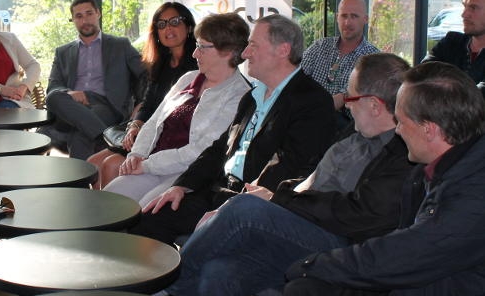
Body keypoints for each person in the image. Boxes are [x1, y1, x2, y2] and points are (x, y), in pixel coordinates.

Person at [167, 53, 413, 296]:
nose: (345, 104)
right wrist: (278, 193)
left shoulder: (402, 152)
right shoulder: (359, 130)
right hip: (305, 225)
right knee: (220, 272)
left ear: (375, 105)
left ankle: (171, 286)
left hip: (339, 247)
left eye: (350, 97)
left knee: (243, 210)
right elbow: (315, 177)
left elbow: (358, 215)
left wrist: (278, 200)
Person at [268, 61, 485, 296]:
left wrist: (314, 264)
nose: (397, 130)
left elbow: (412, 252)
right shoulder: (432, 171)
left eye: (402, 122)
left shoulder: (475, 189)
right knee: (306, 294)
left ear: (429, 130)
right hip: (419, 287)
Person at [129, 14, 336, 245]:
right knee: (148, 217)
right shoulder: (253, 96)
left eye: (253, 45)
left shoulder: (312, 101)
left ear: (283, 50)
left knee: (196, 248)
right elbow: (220, 148)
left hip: (253, 203)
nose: (245, 54)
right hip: (219, 190)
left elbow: (291, 166)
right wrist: (182, 185)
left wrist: (234, 208)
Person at [102, 13, 250, 204]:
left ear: (228, 51)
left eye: (202, 47)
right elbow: (154, 121)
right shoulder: (188, 78)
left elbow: (200, 151)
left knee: (146, 208)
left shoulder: (239, 95)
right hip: (151, 164)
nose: (195, 53)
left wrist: (147, 165)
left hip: (186, 174)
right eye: (196, 46)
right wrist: (136, 155)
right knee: (108, 202)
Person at [88, 2, 198, 189]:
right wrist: (135, 126)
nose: (168, 28)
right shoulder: (161, 64)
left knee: (111, 165)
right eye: (161, 24)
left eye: (174, 21)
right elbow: (148, 103)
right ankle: (98, 214)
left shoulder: (198, 64)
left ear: (188, 26)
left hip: (167, 138)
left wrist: (144, 131)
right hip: (144, 131)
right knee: (91, 164)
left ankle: (113, 217)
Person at [43, 0, 147, 159]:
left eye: (89, 13)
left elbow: (145, 74)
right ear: (73, 20)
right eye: (79, 16)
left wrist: (142, 103)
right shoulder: (62, 52)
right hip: (73, 105)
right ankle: (105, 136)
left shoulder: (120, 45)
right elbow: (54, 86)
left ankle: (75, 185)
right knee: (53, 97)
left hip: (107, 105)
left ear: (98, 13)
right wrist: (69, 93)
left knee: (80, 136)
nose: (85, 20)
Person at [300, 0, 379, 125]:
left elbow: (348, 101)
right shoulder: (320, 46)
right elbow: (296, 79)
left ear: (365, 19)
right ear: (337, 17)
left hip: (346, 129)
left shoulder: (372, 59)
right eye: (344, 16)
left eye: (354, 16)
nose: (347, 22)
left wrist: (343, 98)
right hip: (306, 120)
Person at [423, 0, 485, 95]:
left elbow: (477, 99)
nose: (464, 14)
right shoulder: (451, 42)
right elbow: (421, 76)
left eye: (473, 8)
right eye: (465, 6)